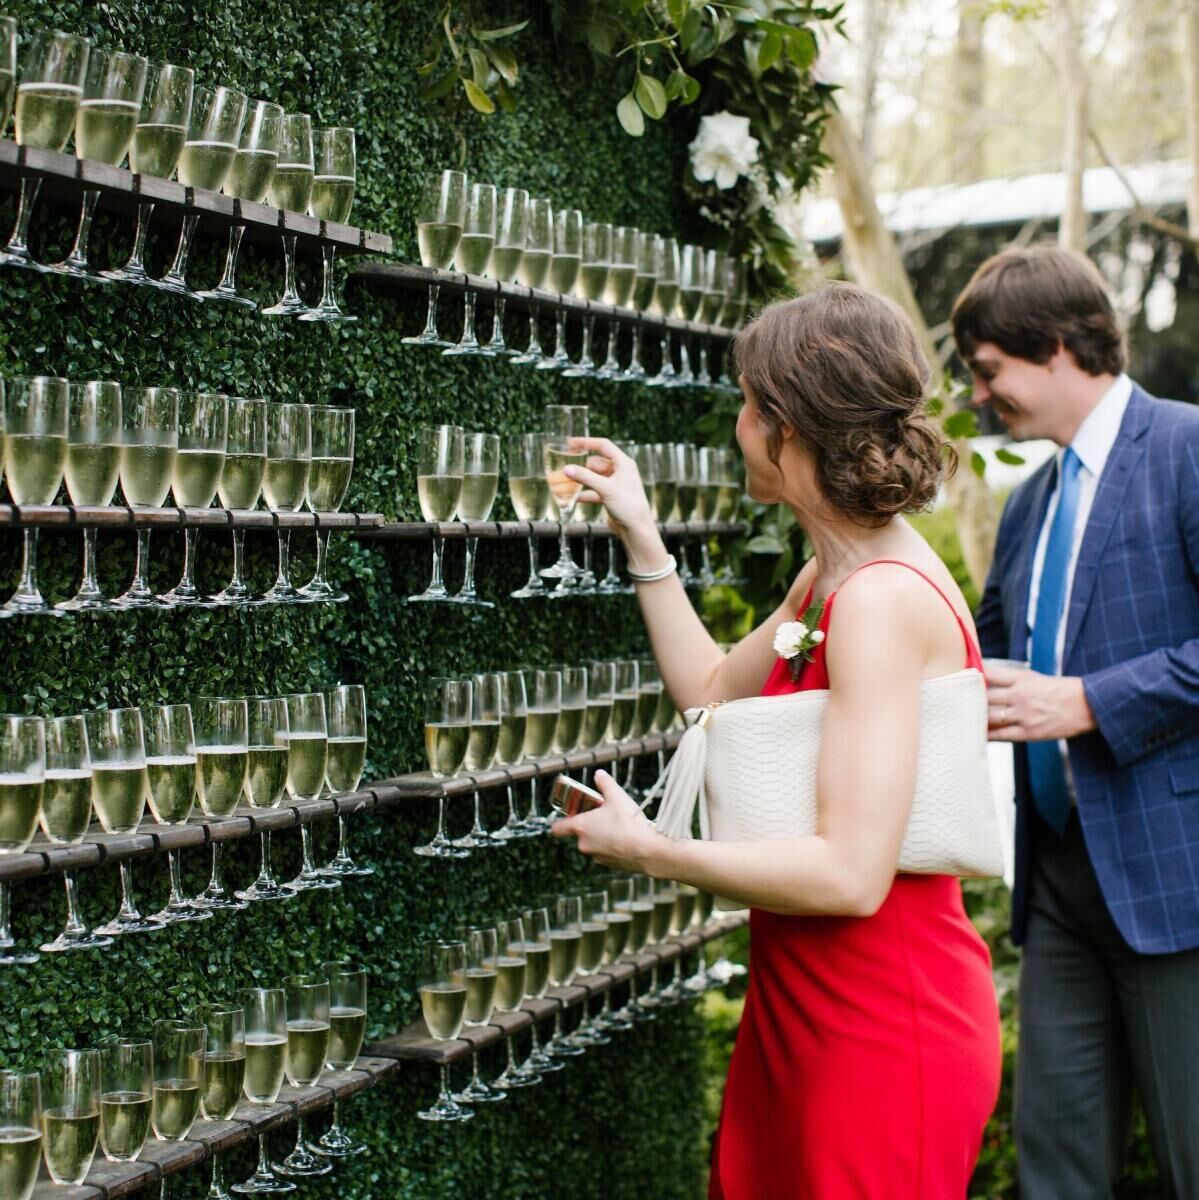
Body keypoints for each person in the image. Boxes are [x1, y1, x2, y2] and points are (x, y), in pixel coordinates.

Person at [551, 282, 1002, 1198]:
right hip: (798, 1000)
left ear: (787, 426)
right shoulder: (833, 571)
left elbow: (849, 873)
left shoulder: (876, 601)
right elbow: (710, 692)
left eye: (747, 403)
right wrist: (641, 536)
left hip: (881, 1022)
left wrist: (655, 852)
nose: (738, 425)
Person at [954, 245, 1199, 1198]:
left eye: (987, 372)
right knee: (1054, 1173)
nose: (979, 398)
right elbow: (968, 651)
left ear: (1053, 347)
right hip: (1056, 884)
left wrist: (1090, 701)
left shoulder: (1185, 449)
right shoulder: (1027, 505)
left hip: (1175, 882)